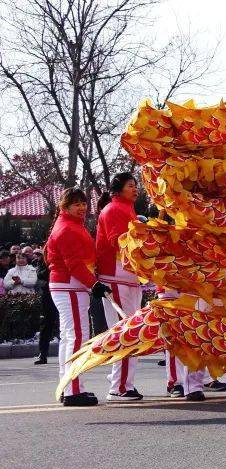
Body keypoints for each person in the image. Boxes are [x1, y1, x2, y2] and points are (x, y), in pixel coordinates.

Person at [95, 172, 146, 402]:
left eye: (136, 185)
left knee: (128, 330)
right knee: (127, 331)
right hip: (117, 278)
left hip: (126, 278)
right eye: (131, 185)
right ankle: (119, 387)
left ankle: (120, 381)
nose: (135, 189)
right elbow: (120, 242)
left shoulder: (126, 209)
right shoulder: (115, 210)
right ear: (118, 189)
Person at [46, 188, 98, 407]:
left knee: (69, 337)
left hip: (68, 285)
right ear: (65, 206)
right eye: (76, 204)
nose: (82, 207)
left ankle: (67, 386)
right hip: (71, 285)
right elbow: (74, 264)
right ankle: (73, 390)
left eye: (83, 203)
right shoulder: (68, 229)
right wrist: (94, 284)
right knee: (76, 336)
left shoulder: (69, 226)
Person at [33, 254, 58, 365]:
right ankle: (43, 353)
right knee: (46, 324)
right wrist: (53, 269)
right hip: (48, 293)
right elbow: (39, 274)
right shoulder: (46, 256)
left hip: (65, 290)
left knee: (65, 324)